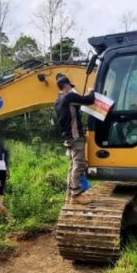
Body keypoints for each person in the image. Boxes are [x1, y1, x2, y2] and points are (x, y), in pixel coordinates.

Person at [54, 73, 95, 201]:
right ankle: (76, 193)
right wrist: (91, 91)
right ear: (66, 86)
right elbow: (89, 100)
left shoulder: (57, 101)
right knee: (79, 164)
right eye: (70, 87)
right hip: (75, 136)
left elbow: (72, 110)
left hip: (67, 137)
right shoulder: (70, 96)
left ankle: (69, 194)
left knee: (72, 166)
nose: (72, 89)